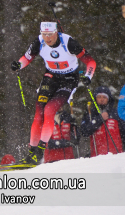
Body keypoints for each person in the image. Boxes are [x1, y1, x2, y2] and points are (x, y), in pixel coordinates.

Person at [11, 21, 96, 165]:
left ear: (57, 32)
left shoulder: (69, 42)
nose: (47, 38)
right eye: (44, 34)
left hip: (69, 79)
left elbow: (91, 62)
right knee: (39, 112)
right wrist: (19, 64)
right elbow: (26, 58)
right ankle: (32, 152)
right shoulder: (39, 41)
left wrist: (88, 77)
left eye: (50, 34)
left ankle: (40, 150)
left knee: (50, 110)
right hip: (50, 77)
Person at [80, 86, 123, 156]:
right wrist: (99, 119)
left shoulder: (116, 112)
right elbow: (84, 131)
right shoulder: (90, 113)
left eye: (104, 97)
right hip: (97, 157)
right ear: (95, 99)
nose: (102, 99)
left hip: (116, 155)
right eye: (99, 97)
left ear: (108, 99)